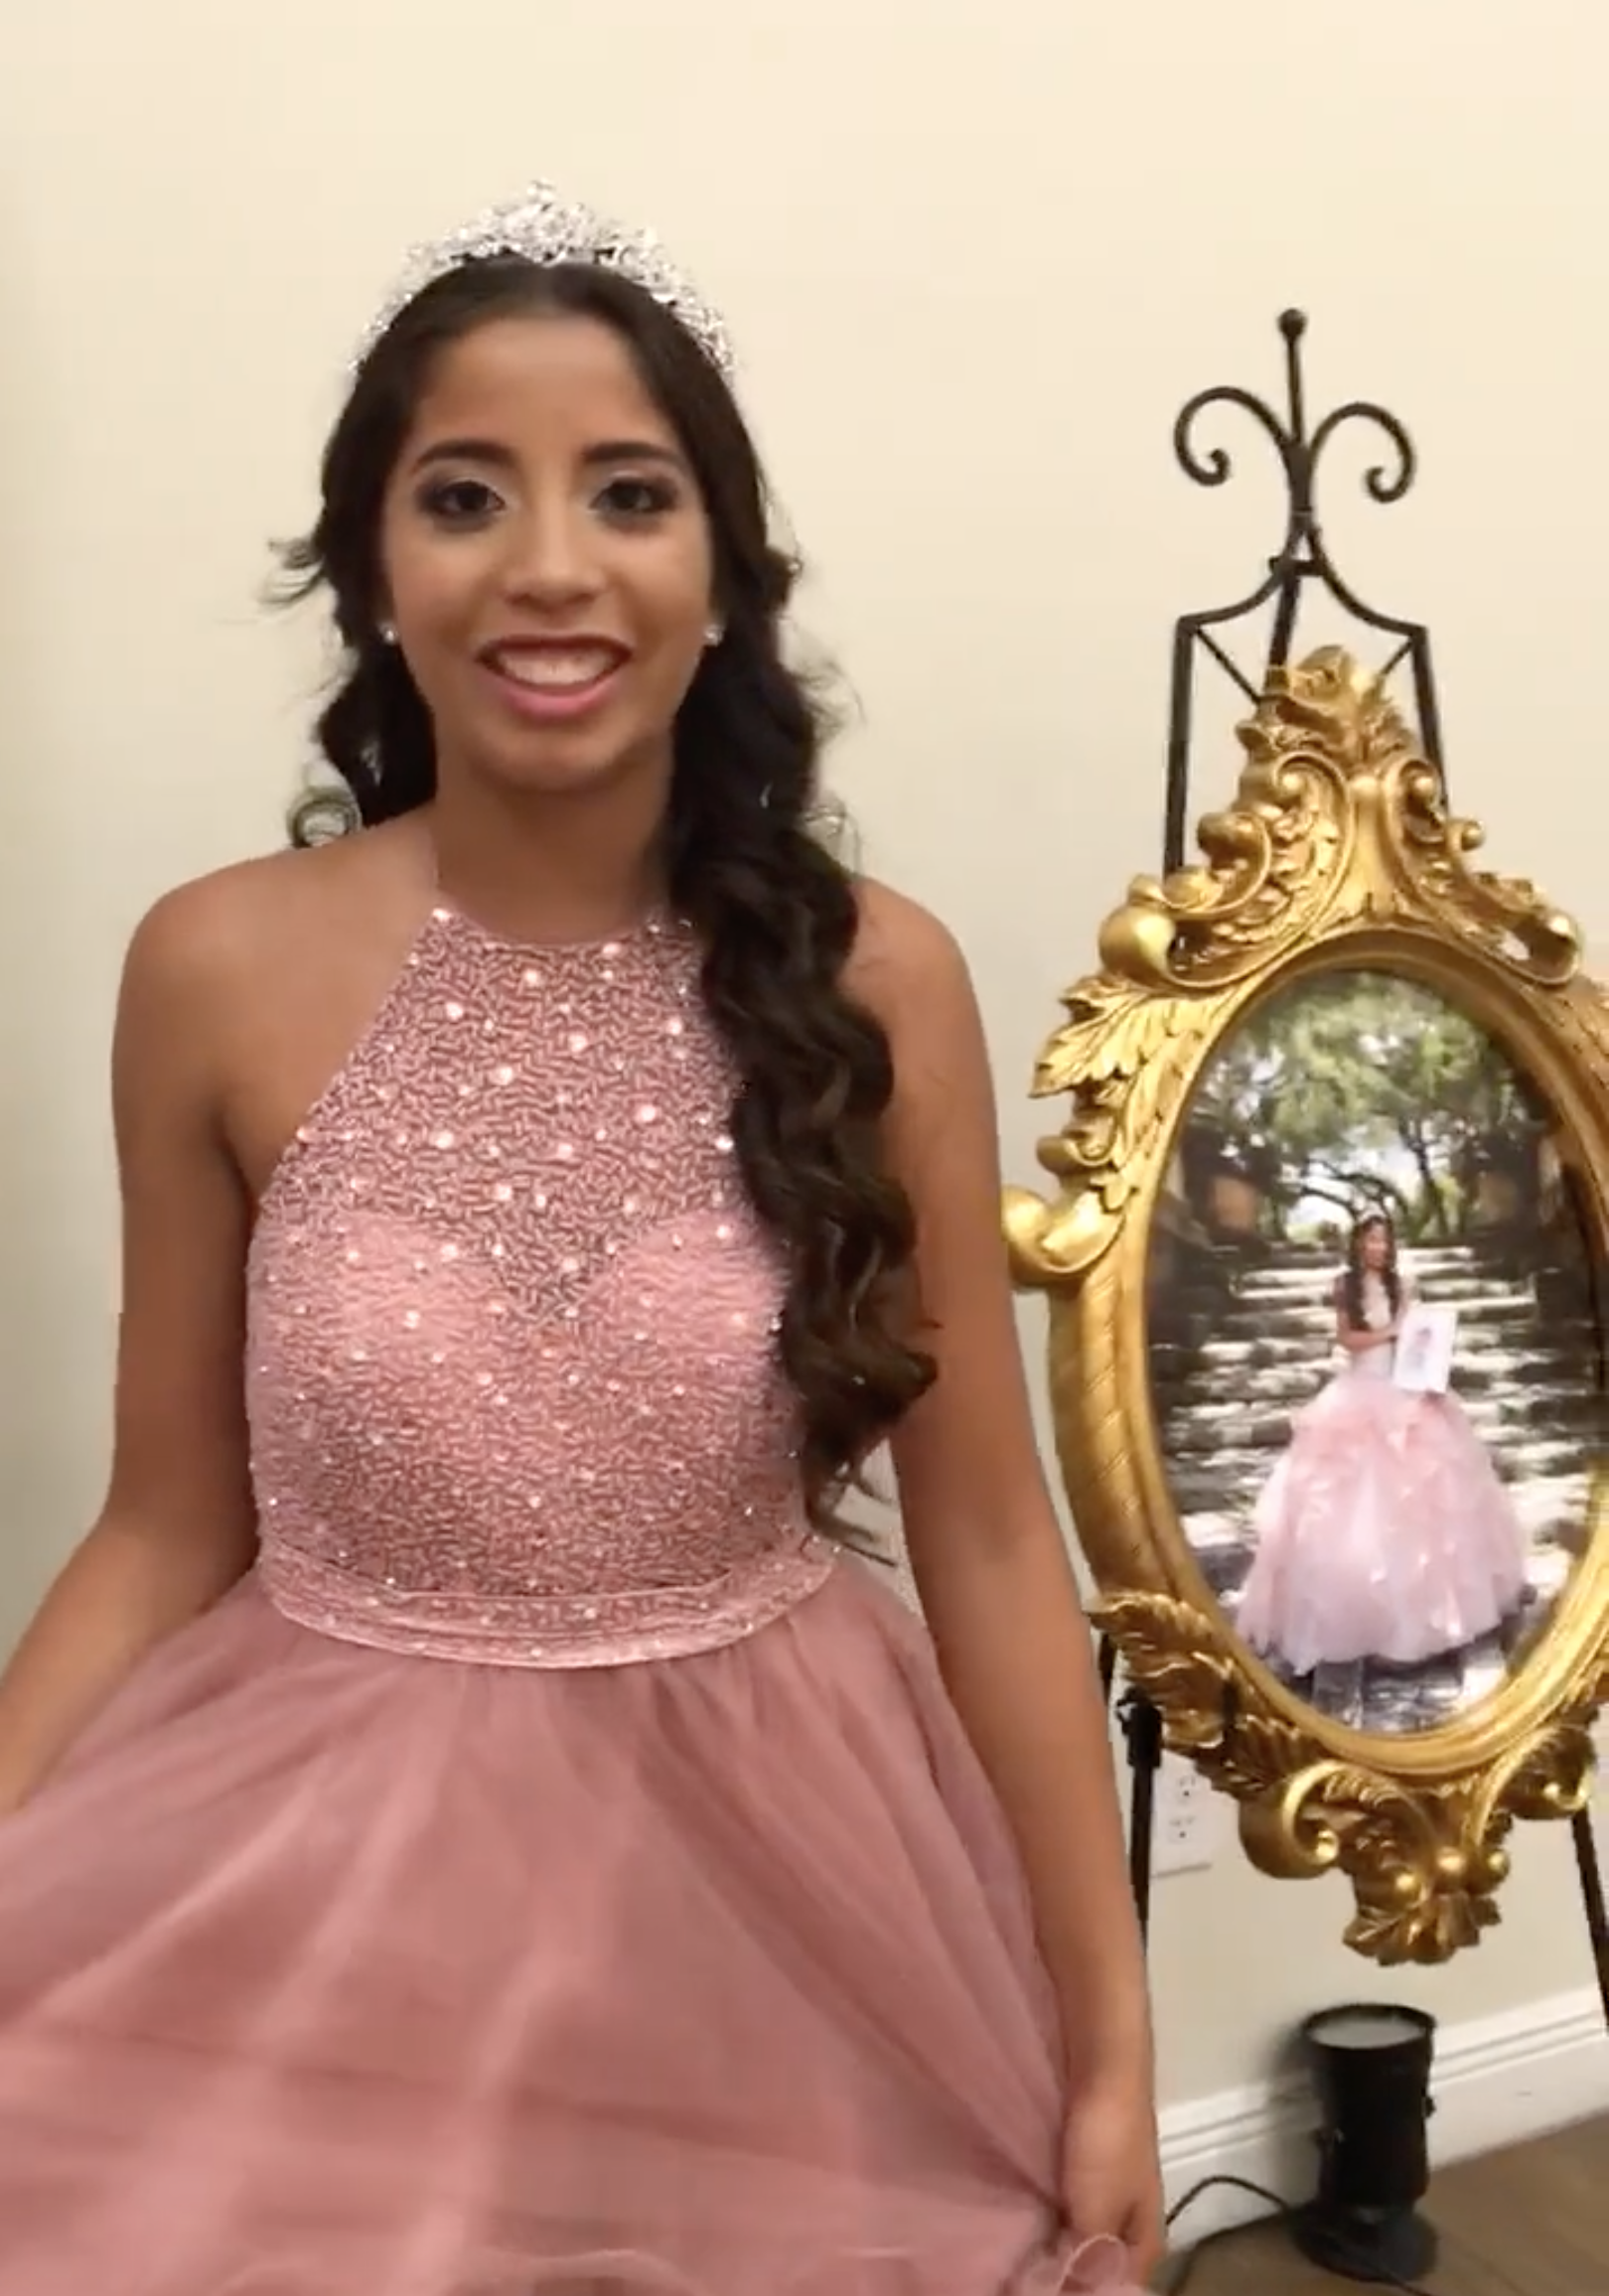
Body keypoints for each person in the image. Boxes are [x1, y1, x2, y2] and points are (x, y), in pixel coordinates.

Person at [0, 184, 1161, 2293]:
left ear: (721, 579)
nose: (550, 563)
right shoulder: (212, 970)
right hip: (339, 1880)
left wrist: (1113, 2039)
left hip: (789, 1900)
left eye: (628, 492)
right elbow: (164, 1522)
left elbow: (992, 1541)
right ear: (375, 573)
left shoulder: (878, 981)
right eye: (466, 495)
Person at [1237, 1210, 1531, 1678]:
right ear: (1358, 1243)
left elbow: (1420, 1339)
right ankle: (1358, 1624)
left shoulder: (1403, 1285)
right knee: (1351, 1502)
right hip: (1360, 1389)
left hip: (1404, 1386)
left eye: (1384, 1240)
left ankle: (1432, 1622)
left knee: (1432, 1500)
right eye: (1370, 1239)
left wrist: (1428, 1368)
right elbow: (1347, 1339)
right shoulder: (1345, 1286)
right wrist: (1390, 1332)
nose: (1378, 1247)